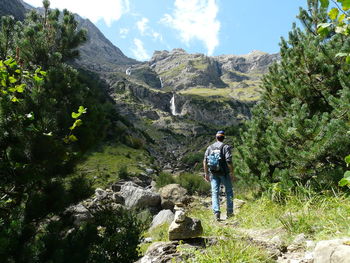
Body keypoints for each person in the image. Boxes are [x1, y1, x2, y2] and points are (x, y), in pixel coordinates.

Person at [203, 130, 234, 221]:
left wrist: (206, 174)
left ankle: (216, 212)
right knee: (229, 192)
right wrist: (232, 172)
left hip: (213, 174)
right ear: (223, 138)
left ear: (216, 137)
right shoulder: (225, 147)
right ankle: (230, 213)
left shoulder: (210, 147)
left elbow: (205, 161)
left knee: (215, 193)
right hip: (224, 173)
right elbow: (228, 160)